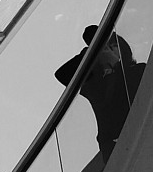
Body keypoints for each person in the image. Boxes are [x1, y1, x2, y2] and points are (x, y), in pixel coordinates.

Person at [54, 26, 141, 156]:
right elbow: (63, 74)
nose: (108, 50)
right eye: (104, 48)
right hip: (114, 148)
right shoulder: (96, 85)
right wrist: (90, 53)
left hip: (140, 134)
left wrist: (114, 62)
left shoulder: (139, 71)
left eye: (112, 46)